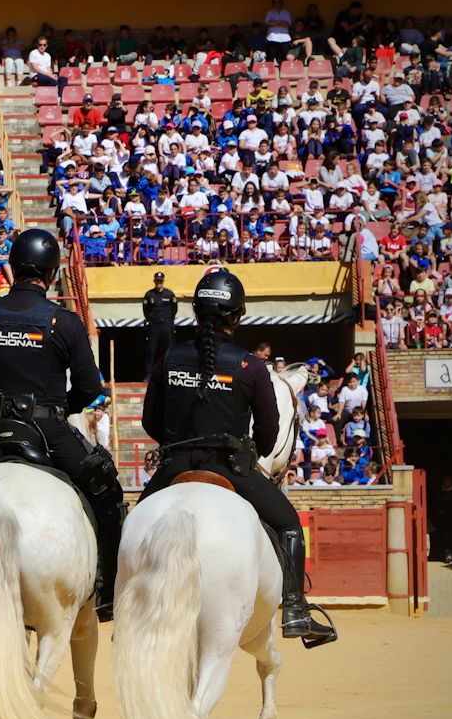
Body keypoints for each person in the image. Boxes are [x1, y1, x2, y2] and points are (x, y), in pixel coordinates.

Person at [140, 270, 337, 647]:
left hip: (175, 467)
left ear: (196, 312)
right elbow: (267, 434)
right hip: (230, 467)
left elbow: (151, 421)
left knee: (133, 525)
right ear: (236, 316)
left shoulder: (170, 357)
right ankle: (295, 609)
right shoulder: (250, 366)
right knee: (289, 524)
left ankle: (118, 600)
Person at [0, 228, 124, 621]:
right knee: (107, 491)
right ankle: (107, 591)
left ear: (12, 269)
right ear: (50, 274)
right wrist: (63, 408)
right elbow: (89, 386)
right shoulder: (63, 321)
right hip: (48, 429)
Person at [143, 270, 177, 379]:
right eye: (157, 281)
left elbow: (174, 309)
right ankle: (148, 374)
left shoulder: (169, 294)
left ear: (163, 281)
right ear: (154, 281)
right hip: (154, 325)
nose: (159, 283)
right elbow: (146, 310)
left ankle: (170, 373)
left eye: (160, 281)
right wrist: (151, 320)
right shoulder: (149, 294)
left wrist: (169, 320)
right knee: (151, 350)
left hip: (166, 324)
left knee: (169, 349)